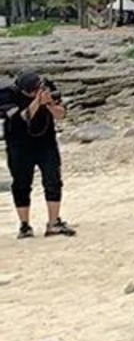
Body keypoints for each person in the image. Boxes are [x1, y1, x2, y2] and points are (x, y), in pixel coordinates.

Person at [1, 72, 74, 238]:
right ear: (23, 91)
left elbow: (62, 115)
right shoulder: (8, 95)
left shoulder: (48, 88)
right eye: (33, 92)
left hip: (46, 143)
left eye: (38, 89)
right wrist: (37, 102)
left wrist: (49, 105)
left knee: (53, 181)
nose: (36, 93)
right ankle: (24, 225)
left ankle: (53, 223)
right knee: (21, 184)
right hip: (19, 145)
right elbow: (21, 119)